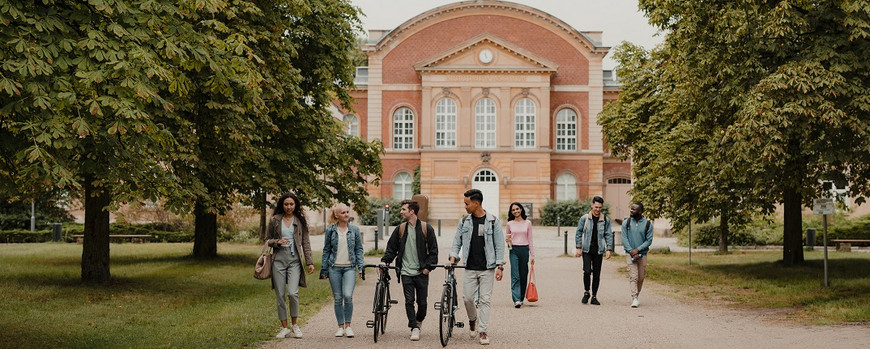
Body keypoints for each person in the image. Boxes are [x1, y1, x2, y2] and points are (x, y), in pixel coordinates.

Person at [449, 189, 505, 345]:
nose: (465, 206)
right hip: (470, 267)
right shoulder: (464, 221)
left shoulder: (493, 221)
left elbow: (499, 245)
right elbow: (457, 242)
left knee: (485, 300)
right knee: (467, 299)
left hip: (487, 268)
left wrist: (500, 266)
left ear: (476, 203)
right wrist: (453, 256)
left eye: (467, 204)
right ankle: (472, 319)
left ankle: (483, 331)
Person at [381, 199, 438, 341]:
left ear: (412, 211)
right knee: (409, 301)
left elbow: (433, 252)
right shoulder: (400, 229)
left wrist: (428, 268)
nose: (401, 212)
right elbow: (391, 249)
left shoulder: (426, 228)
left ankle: (418, 320)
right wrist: (384, 261)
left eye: (404, 209)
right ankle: (414, 327)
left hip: (421, 272)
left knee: (422, 303)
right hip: (406, 271)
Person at [266, 192, 315, 339]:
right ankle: (284, 328)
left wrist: (310, 262)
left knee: (293, 293)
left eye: (291, 204)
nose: (289, 207)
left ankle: (295, 325)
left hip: (294, 261)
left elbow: (306, 242)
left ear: (295, 205)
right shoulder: (275, 220)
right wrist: (277, 242)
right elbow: (267, 240)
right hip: (278, 261)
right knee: (280, 295)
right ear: (282, 205)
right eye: (286, 204)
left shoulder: (300, 221)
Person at [320, 203, 364, 338]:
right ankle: (340, 327)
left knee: (348, 296)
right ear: (336, 215)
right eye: (343, 212)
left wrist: (361, 267)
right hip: (334, 268)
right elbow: (326, 250)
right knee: (338, 298)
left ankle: (348, 326)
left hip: (350, 267)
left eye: (347, 212)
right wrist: (324, 269)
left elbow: (359, 249)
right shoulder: (330, 230)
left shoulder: (354, 230)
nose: (346, 214)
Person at [574, 196, 614, 305]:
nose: (597, 209)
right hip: (587, 249)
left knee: (596, 274)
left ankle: (594, 296)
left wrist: (609, 249)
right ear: (592, 205)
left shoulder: (605, 220)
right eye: (596, 207)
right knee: (587, 271)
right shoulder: (585, 218)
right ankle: (587, 292)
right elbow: (578, 232)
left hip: (598, 250)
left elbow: (608, 234)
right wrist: (579, 247)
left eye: (600, 207)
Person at [621, 202, 654, 308]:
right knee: (633, 276)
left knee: (641, 277)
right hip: (629, 254)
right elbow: (624, 238)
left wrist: (638, 250)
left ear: (640, 211)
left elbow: (649, 240)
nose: (631, 210)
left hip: (642, 254)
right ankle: (634, 297)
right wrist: (631, 251)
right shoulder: (626, 223)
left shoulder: (648, 224)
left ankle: (636, 295)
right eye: (631, 208)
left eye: (634, 209)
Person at [505, 202, 535, 308]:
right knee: (515, 275)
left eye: (517, 209)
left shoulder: (528, 223)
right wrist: (507, 241)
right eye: (513, 210)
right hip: (513, 250)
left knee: (523, 274)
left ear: (521, 209)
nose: (516, 211)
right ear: (511, 212)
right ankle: (516, 299)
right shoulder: (509, 224)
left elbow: (530, 239)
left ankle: (521, 297)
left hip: (524, 249)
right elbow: (508, 238)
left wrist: (532, 255)